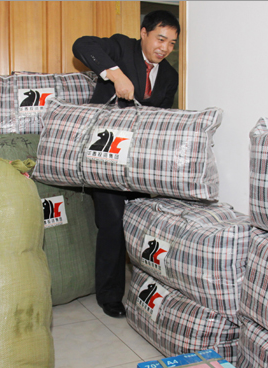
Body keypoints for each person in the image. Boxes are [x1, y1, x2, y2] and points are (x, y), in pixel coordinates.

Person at [72, 10, 180, 318]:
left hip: (137, 163)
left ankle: (144, 289)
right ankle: (110, 296)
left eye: (171, 43)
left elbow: (159, 119)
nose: (164, 48)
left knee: (141, 223)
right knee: (113, 222)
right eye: (160, 39)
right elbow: (82, 44)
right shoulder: (120, 47)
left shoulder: (169, 76)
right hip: (104, 156)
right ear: (144, 33)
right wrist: (116, 75)